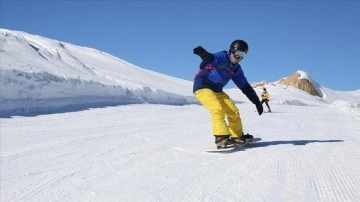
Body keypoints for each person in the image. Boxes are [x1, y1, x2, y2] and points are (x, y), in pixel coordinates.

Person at [193, 39, 263, 149]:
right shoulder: (223, 56)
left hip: (217, 90)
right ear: (231, 50)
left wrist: (256, 101)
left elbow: (245, 86)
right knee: (217, 109)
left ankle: (237, 137)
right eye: (238, 53)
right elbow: (212, 58)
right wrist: (204, 54)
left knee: (233, 111)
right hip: (203, 86)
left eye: (243, 54)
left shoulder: (236, 69)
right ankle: (221, 139)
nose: (239, 56)